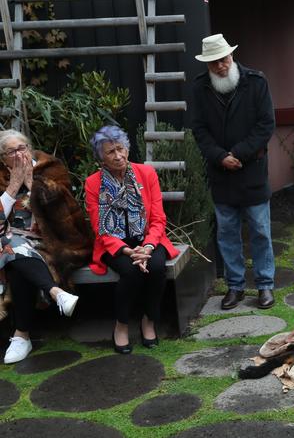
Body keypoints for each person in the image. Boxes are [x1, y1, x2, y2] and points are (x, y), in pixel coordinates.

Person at [191, 33, 276, 310]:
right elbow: (199, 130)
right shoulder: (200, 88)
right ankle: (235, 287)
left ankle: (265, 286)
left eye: (224, 59)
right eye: (214, 62)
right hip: (221, 173)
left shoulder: (256, 81)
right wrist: (220, 157)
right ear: (207, 64)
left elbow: (266, 124)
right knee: (226, 233)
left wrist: (237, 154)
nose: (220, 66)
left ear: (231, 56)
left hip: (251, 169)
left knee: (260, 231)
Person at [84, 126, 179, 354]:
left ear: (127, 148)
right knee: (130, 271)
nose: (118, 156)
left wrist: (146, 246)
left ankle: (149, 320)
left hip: (147, 238)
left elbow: (158, 218)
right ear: (101, 158)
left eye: (120, 149)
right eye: (110, 152)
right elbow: (101, 229)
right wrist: (129, 252)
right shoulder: (93, 183)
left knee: (156, 266)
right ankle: (122, 324)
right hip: (114, 243)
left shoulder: (146, 174)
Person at [1, 129, 93, 364]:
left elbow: (65, 213)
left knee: (13, 255)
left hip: (52, 241)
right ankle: (57, 294)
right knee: (13, 250)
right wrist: (12, 187)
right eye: (11, 152)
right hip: (11, 242)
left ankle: (21, 336)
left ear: (30, 149)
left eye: (22, 148)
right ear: (3, 158)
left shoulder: (51, 169)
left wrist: (33, 184)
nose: (18, 155)